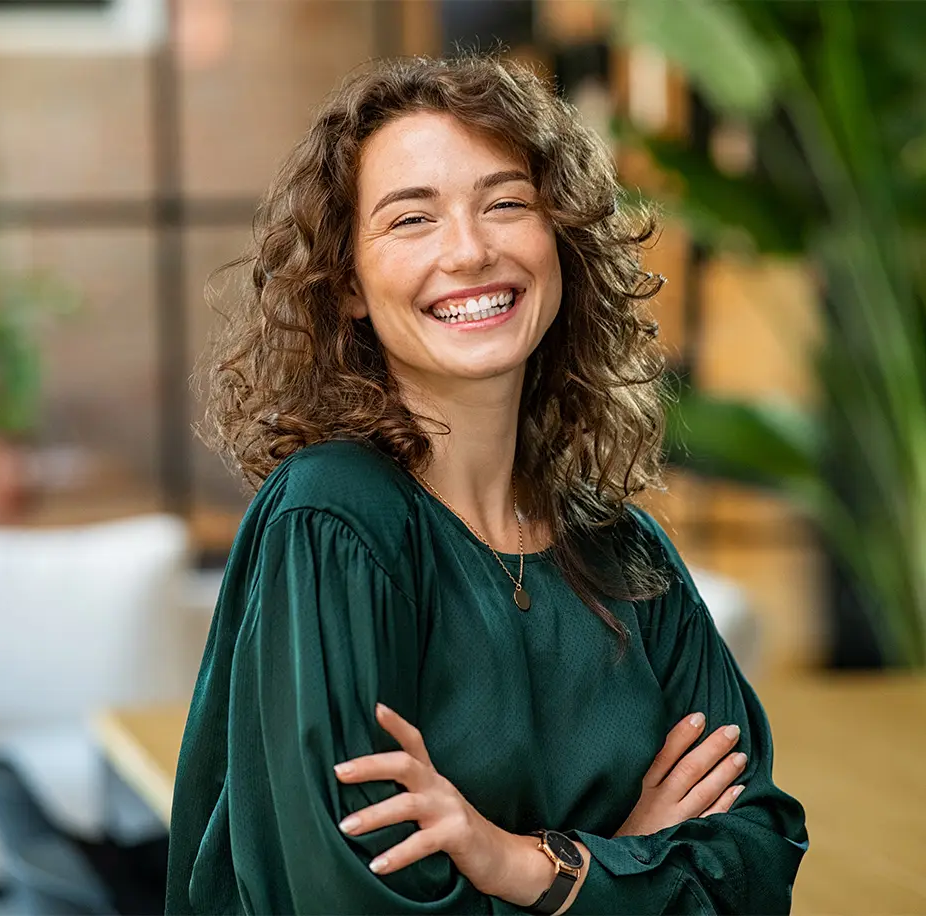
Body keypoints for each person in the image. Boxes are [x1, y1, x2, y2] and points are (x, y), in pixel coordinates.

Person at [165, 54, 808, 915]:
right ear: (348, 283)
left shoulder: (625, 553)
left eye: (506, 203)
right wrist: (625, 862)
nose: (470, 251)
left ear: (560, 242)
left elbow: (757, 863)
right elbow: (348, 901)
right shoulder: (334, 520)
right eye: (411, 220)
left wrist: (527, 864)